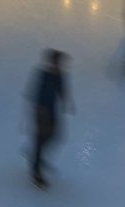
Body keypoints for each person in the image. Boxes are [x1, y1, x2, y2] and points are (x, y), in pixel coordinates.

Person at [28, 49, 74, 188]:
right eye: (57, 63)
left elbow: (62, 89)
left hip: (52, 111)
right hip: (42, 111)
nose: (59, 66)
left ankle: (37, 155)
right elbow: (37, 93)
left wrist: (67, 101)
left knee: (54, 136)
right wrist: (40, 110)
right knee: (41, 138)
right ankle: (36, 171)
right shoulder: (45, 75)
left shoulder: (60, 75)